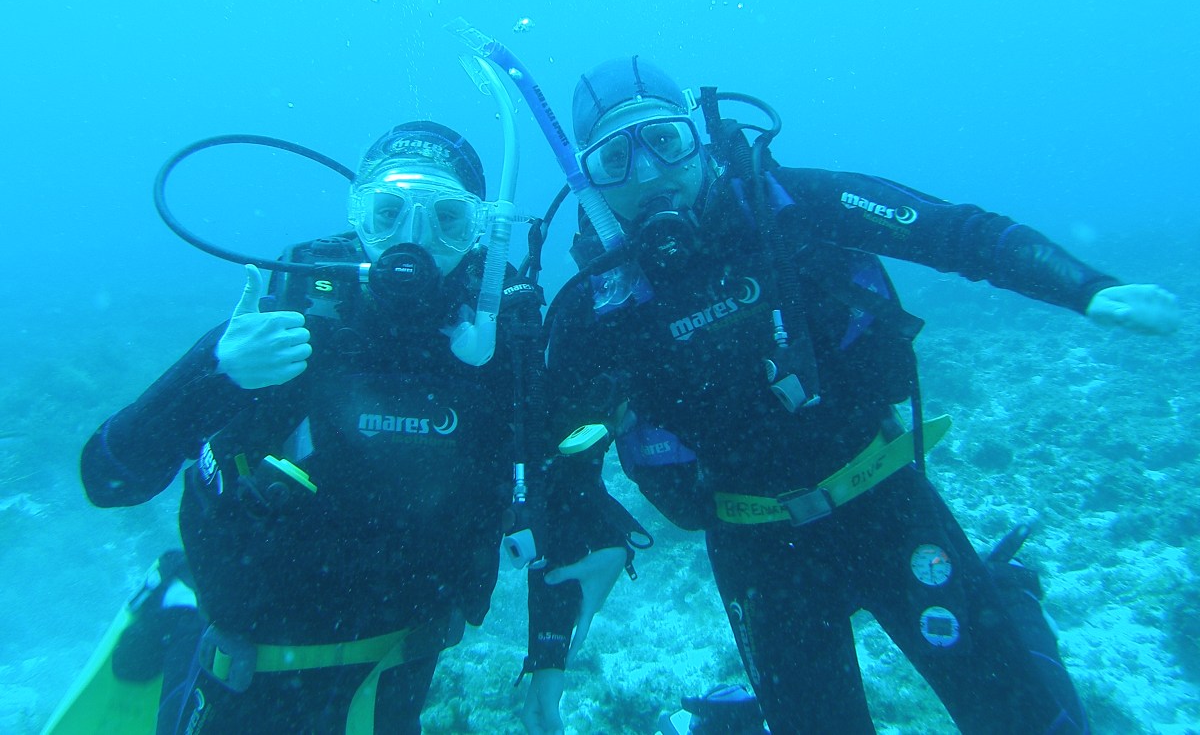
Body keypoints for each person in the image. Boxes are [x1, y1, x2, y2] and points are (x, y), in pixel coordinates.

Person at [522, 56, 1181, 735]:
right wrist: (550, 638)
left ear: (698, 136)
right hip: (757, 553)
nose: (650, 174)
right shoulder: (591, 315)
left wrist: (1086, 287)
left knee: (1026, 723)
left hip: (888, 506)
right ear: (586, 180)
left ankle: (1008, 602)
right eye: (614, 159)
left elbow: (958, 233)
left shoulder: (798, 208)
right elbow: (556, 468)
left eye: (665, 141)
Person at [72, 121, 627, 734]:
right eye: (389, 213)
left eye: (447, 218)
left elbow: (560, 499)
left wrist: (547, 660)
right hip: (248, 668)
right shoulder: (288, 328)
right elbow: (109, 479)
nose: (412, 241)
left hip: (398, 668)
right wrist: (218, 371)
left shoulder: (499, 354)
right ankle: (177, 609)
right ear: (357, 217)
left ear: (480, 237)